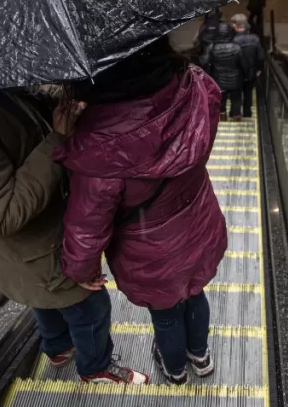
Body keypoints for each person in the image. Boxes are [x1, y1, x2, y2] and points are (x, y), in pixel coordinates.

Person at [0, 89, 148, 384]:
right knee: (91, 305)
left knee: (43, 296)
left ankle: (59, 347)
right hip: (36, 246)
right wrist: (57, 140)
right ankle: (95, 367)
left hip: (38, 242)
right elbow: (2, 212)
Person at [56, 38, 228, 385]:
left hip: (149, 247)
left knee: (166, 313)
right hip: (199, 220)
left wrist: (80, 269)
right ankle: (201, 357)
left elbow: (87, 225)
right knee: (195, 293)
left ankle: (175, 369)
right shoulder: (195, 85)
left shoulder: (97, 142)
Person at [200, 21, 249, 120]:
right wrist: (247, 76)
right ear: (230, 33)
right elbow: (244, 64)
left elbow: (204, 62)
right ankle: (236, 117)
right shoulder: (236, 47)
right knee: (236, 100)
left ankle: (222, 117)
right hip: (236, 80)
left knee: (221, 100)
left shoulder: (212, 47)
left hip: (218, 80)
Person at [231, 14, 265, 118]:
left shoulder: (233, 40)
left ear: (235, 25)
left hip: (237, 72)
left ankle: (235, 113)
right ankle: (247, 113)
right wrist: (259, 69)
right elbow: (261, 56)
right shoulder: (255, 38)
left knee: (236, 93)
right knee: (248, 92)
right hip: (252, 71)